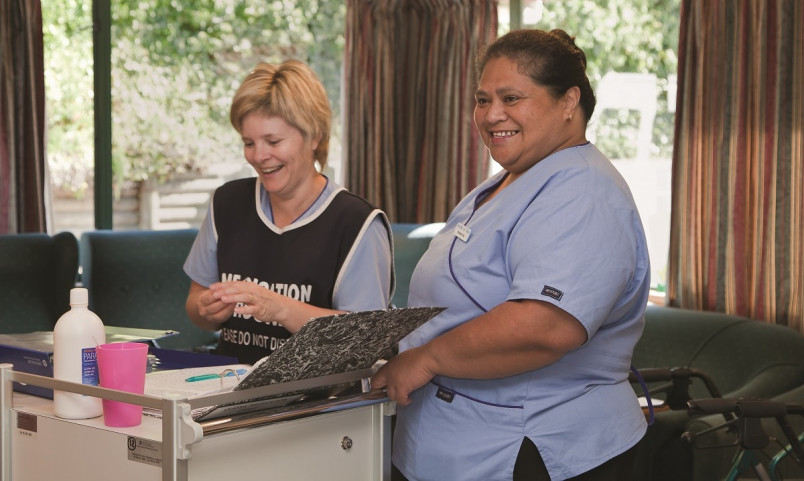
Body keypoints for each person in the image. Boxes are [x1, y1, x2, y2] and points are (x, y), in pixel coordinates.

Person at [372, 29, 651, 481]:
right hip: (454, 438)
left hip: (537, 447)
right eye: (483, 100)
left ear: (568, 101)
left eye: (511, 98)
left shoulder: (584, 190)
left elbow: (545, 326)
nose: (491, 115)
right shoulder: (507, 182)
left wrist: (426, 358)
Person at [184, 59, 394, 365]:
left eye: (273, 141)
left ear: (315, 137)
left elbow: (364, 341)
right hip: (228, 393)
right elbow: (195, 307)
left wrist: (279, 308)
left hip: (321, 406)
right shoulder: (225, 204)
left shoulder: (357, 224)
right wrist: (205, 310)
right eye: (248, 142)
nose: (258, 156)